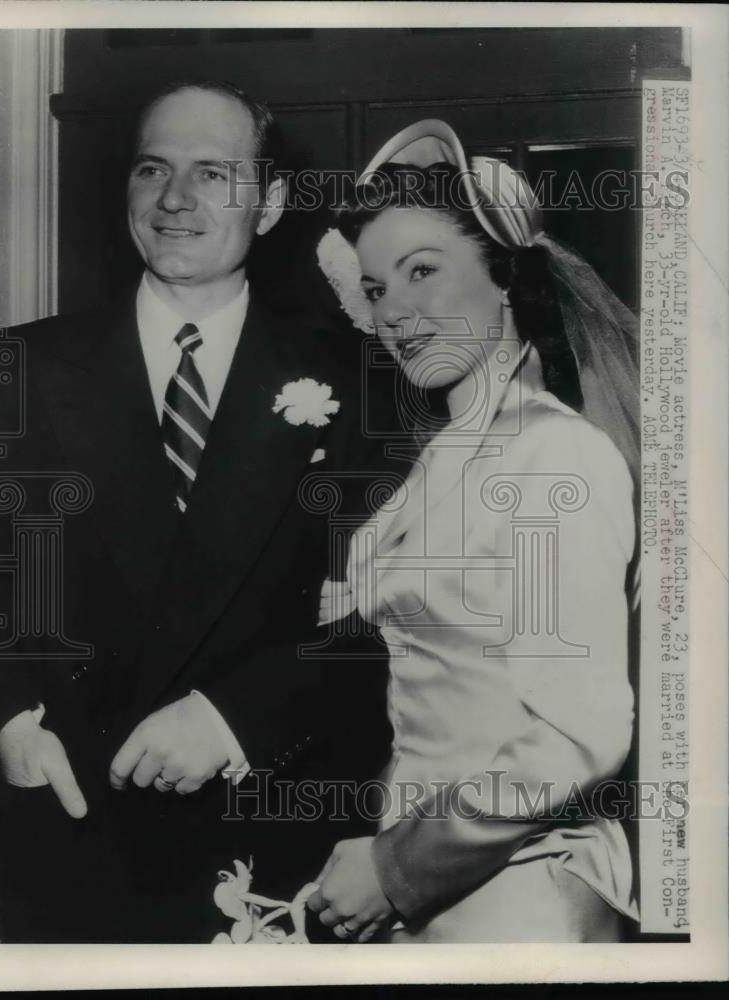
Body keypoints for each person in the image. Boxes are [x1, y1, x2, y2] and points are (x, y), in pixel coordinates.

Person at [0, 80, 395, 943]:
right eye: (152, 169)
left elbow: (399, 617)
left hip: (267, 825)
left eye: (213, 173)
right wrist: (3, 717)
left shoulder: (362, 380)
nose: (174, 200)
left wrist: (237, 714)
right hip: (69, 829)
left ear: (270, 203)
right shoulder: (15, 364)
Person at [307, 120, 641, 943]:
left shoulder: (553, 453)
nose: (397, 312)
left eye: (424, 271)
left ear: (502, 277)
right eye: (379, 288)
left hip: (522, 894)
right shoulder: (432, 468)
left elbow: (578, 730)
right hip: (422, 889)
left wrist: (395, 868)